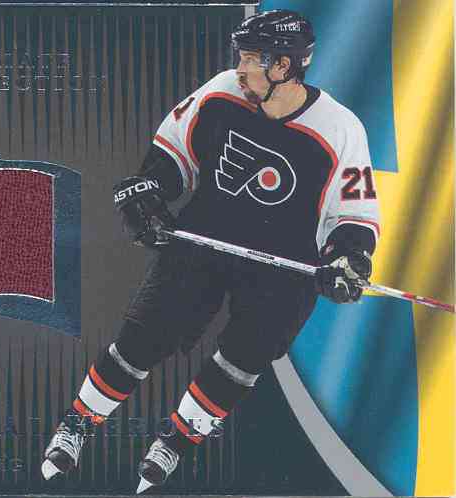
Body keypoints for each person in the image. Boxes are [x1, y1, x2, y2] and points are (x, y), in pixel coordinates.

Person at [41, 9, 380, 493]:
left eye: (250, 59)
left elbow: (353, 214)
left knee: (243, 359)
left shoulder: (340, 128)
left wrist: (348, 257)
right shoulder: (221, 91)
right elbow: (173, 154)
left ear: (283, 66)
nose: (239, 68)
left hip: (283, 267)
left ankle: (174, 442)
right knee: (142, 338)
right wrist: (150, 191)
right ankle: (77, 424)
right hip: (204, 240)